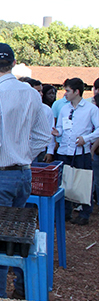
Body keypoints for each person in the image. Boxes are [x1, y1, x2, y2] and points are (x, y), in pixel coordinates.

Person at [0, 42, 51, 300]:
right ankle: (22, 288)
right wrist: (24, 156)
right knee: (20, 233)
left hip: (0, 174)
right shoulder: (31, 93)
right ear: (13, 62)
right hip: (23, 173)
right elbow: (43, 136)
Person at [47, 78, 99, 226]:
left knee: (84, 181)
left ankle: (85, 213)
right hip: (65, 150)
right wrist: (58, 133)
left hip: (81, 151)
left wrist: (86, 138)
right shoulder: (64, 108)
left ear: (77, 92)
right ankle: (65, 212)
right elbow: (62, 127)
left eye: (68, 91)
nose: (65, 94)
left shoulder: (91, 109)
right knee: (64, 182)